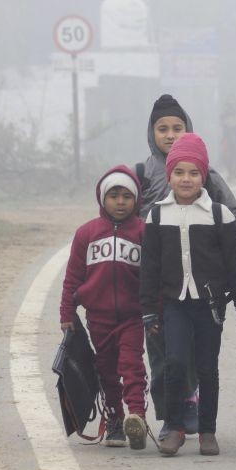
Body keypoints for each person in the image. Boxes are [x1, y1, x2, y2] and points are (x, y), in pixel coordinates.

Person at [135, 94, 236, 440]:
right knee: (162, 350)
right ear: (151, 133)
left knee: (195, 350)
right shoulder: (142, 174)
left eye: (177, 128)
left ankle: (191, 404)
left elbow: (229, 214)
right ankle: (170, 415)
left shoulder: (206, 174)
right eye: (162, 128)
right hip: (157, 275)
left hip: (199, 280)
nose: (170, 134)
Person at [59, 165, 149, 450]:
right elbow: (73, 277)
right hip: (98, 318)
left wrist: (155, 312)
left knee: (132, 366)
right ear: (102, 198)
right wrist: (66, 313)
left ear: (136, 199)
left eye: (127, 196)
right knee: (107, 370)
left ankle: (137, 416)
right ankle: (115, 420)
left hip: (133, 317)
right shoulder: (86, 233)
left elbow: (153, 278)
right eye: (113, 196)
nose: (120, 202)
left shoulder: (144, 232)